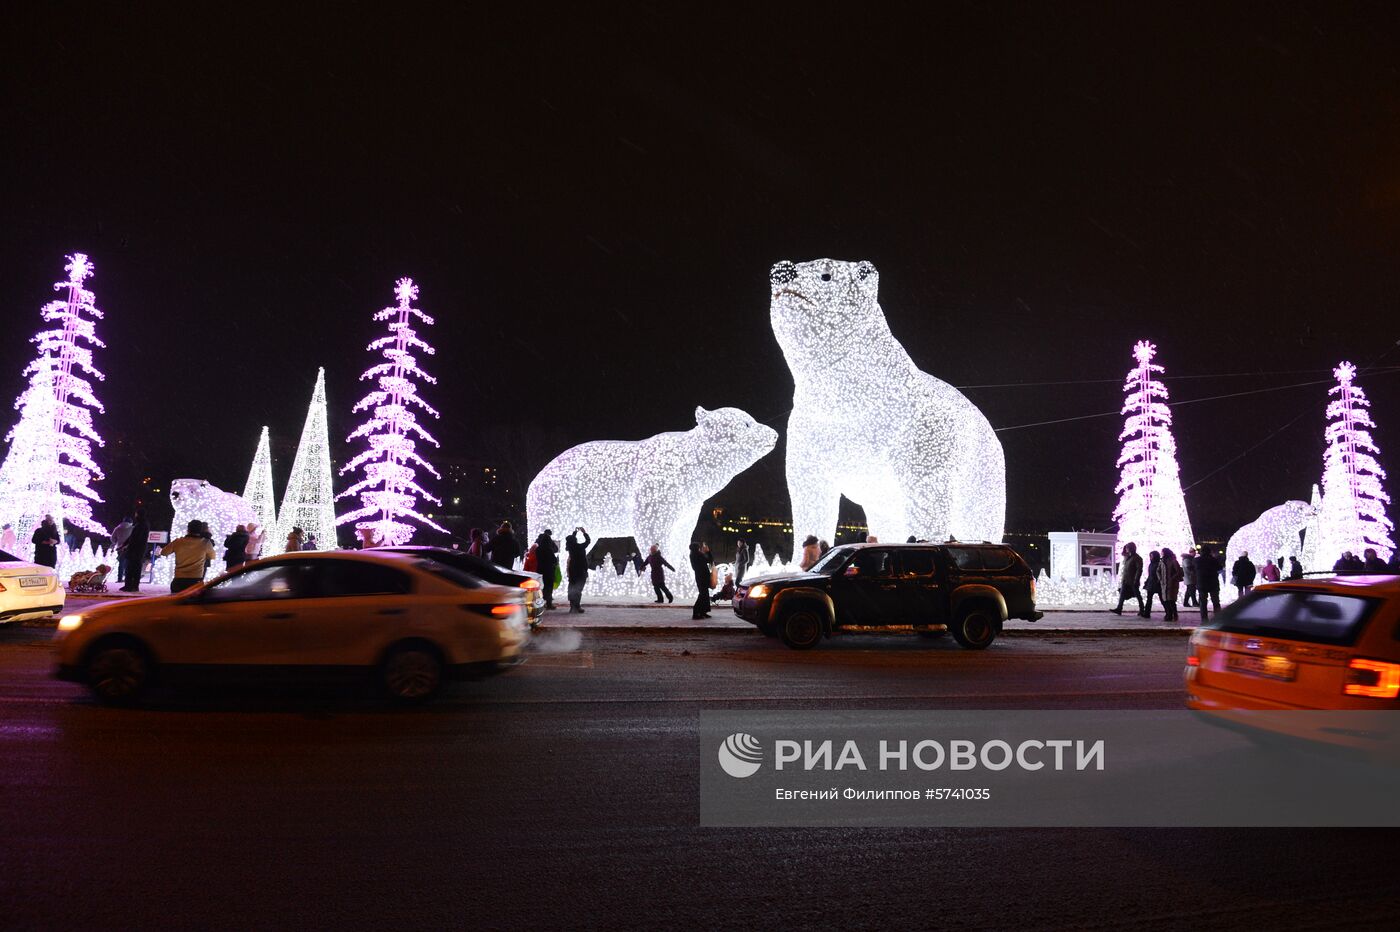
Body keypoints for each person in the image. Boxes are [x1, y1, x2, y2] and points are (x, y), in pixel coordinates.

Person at [160, 520, 217, 593]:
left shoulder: (178, 542)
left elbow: (163, 552)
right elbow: (212, 556)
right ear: (200, 530)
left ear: (188, 529)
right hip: (196, 580)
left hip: (179, 580)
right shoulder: (205, 543)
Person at [120, 509, 150, 592]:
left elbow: (135, 538)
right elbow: (132, 537)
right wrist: (125, 544)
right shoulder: (140, 524)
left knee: (133, 568)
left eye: (136, 514)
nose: (135, 515)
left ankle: (132, 586)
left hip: (136, 550)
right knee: (132, 568)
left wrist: (128, 546)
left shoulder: (142, 525)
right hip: (137, 549)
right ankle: (129, 585)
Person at [1110, 542, 1143, 616]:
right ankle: (1119, 608)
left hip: (1132, 580)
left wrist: (1136, 579)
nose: (1126, 549)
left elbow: (1139, 570)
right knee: (1122, 594)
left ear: (1131, 548)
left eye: (1127, 548)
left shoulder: (1137, 558)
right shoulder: (1128, 557)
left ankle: (1142, 609)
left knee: (1137, 594)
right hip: (1126, 580)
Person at [564, 527, 591, 613]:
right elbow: (588, 541)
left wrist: (574, 533)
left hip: (572, 570)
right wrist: (584, 532)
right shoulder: (579, 547)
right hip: (580, 570)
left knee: (572, 587)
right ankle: (577, 606)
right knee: (578, 589)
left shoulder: (570, 547)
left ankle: (573, 606)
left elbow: (570, 540)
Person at [1157, 547, 1184, 622]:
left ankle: (1173, 614)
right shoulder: (1161, 562)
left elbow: (1178, 571)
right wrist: (1160, 579)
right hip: (1164, 584)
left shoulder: (1173, 561)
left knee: (1171, 600)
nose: (1161, 553)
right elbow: (1158, 571)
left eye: (1162, 552)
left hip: (1172, 584)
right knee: (1166, 600)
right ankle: (1169, 614)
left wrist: (1172, 578)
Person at [535, 529, 559, 609]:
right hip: (548, 571)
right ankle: (549, 604)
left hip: (540, 570)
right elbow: (554, 560)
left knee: (541, 588)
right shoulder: (549, 550)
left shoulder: (538, 549)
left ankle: (540, 604)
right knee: (549, 587)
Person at [1196, 545, 1222, 620]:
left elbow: (1194, 569)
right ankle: (1218, 618)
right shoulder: (1213, 560)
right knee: (1216, 601)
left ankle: (1204, 619)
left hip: (1202, 583)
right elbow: (1219, 567)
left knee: (1203, 602)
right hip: (1213, 583)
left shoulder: (1197, 560)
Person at [690, 541, 711, 619]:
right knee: (703, 595)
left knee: (704, 594)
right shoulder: (698, 554)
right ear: (697, 548)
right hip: (703, 577)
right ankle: (696, 613)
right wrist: (707, 552)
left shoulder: (693, 554)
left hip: (699, 577)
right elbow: (709, 560)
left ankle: (703, 612)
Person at [110, 516, 133, 583]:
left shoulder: (117, 528)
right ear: (131, 522)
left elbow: (112, 538)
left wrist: (116, 542)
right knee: (128, 563)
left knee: (121, 563)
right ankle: (127, 578)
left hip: (120, 548)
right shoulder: (132, 528)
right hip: (130, 548)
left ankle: (119, 578)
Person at [1141, 550, 1162, 618]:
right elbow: (1150, 574)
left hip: (1157, 584)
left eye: (1152, 556)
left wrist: (1158, 581)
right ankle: (1146, 613)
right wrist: (1147, 581)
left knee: (1162, 599)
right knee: (1149, 599)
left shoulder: (1159, 564)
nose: (1150, 558)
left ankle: (1169, 612)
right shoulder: (1151, 564)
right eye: (1150, 556)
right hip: (1151, 583)